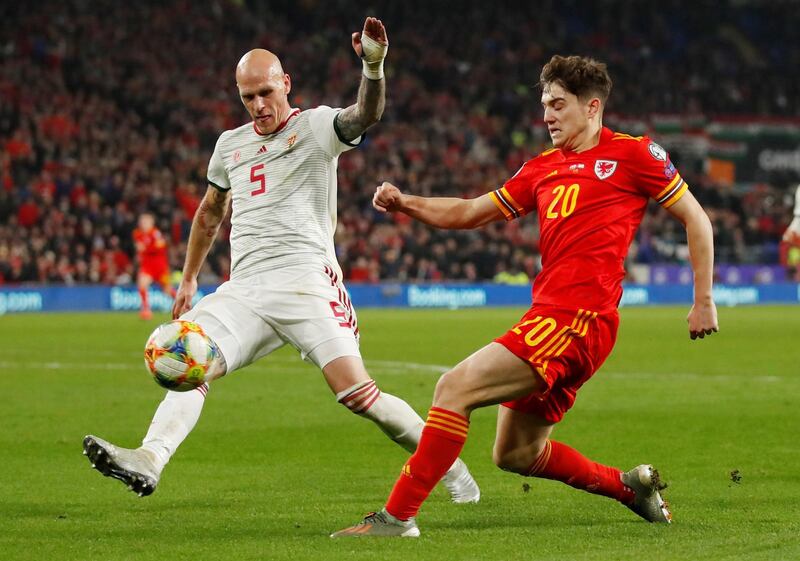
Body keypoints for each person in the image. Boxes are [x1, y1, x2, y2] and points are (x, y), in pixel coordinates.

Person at [82, 17, 479, 505]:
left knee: (358, 396)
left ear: (286, 83)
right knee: (187, 358)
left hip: (306, 282)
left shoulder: (315, 127)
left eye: (266, 92)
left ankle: (449, 466)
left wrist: (373, 66)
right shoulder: (230, 145)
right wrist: (187, 279)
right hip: (245, 288)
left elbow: (365, 115)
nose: (258, 105)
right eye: (247, 97)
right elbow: (211, 212)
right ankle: (150, 457)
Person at [332, 54, 719, 538]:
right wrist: (406, 202)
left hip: (577, 319)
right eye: (544, 105)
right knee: (515, 454)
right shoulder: (541, 169)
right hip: (556, 319)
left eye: (558, 105)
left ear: (592, 107)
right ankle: (629, 490)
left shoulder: (634, 155)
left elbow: (696, 218)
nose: (547, 116)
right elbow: (472, 212)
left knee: (453, 388)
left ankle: (396, 517)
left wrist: (703, 298)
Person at [133, 212, 176, 320]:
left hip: (160, 267)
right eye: (142, 221)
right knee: (142, 284)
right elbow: (139, 248)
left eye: (146, 221)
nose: (143, 224)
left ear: (151, 222)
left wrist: (146, 248)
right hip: (147, 266)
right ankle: (146, 309)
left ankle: (183, 305)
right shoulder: (137, 234)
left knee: (167, 290)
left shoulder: (155, 233)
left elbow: (161, 247)